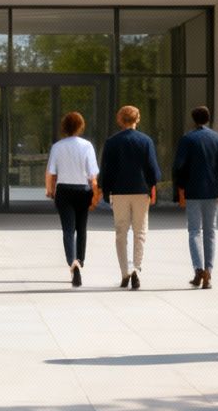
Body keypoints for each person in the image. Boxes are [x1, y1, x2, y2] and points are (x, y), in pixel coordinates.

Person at [172, 106, 218, 289]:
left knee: (194, 231)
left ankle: (198, 269)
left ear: (193, 119)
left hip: (193, 191)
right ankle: (208, 271)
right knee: (210, 232)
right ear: (208, 118)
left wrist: (180, 189)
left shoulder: (187, 139)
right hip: (213, 191)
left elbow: (178, 167)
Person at [100, 106, 160, 289]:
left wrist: (105, 190)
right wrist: (152, 186)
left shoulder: (111, 142)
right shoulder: (145, 141)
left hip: (119, 192)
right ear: (138, 119)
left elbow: (106, 170)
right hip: (141, 191)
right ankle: (136, 268)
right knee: (140, 232)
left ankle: (125, 271)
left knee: (121, 232)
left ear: (120, 119)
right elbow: (152, 168)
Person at [44, 110, 101, 287]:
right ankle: (80, 261)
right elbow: (93, 175)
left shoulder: (57, 147)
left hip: (64, 191)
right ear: (81, 126)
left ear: (64, 127)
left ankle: (72, 262)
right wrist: (96, 195)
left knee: (68, 230)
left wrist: (49, 190)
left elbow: (50, 172)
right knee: (81, 228)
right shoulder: (87, 146)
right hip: (83, 191)